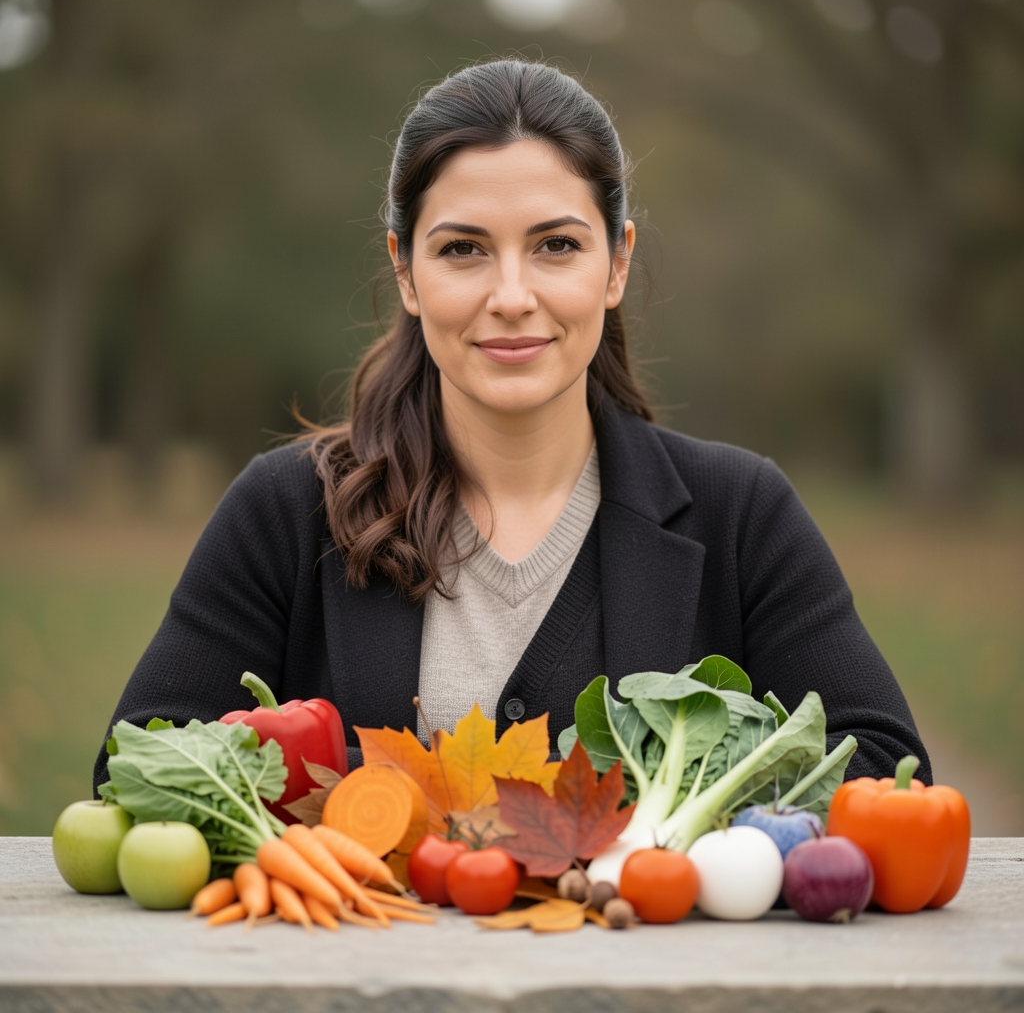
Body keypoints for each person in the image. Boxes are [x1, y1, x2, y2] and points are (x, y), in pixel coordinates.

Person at [94, 59, 929, 792]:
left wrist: (651, 813)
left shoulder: (740, 512)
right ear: (406, 273)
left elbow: (888, 767)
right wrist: (402, 798)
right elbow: (135, 766)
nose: (511, 295)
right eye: (462, 249)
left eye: (556, 246)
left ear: (618, 262)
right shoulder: (284, 512)